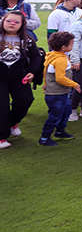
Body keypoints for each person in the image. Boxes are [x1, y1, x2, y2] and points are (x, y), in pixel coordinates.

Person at [0, 11, 41, 149]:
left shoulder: (27, 39)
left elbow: (36, 57)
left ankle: (11, 123)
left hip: (19, 76)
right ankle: (1, 137)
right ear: (3, 21)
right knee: (2, 106)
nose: (12, 24)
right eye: (9, 21)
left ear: (22, 24)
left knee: (26, 100)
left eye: (17, 22)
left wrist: (32, 72)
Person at [38, 32, 79, 146]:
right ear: (63, 47)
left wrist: (46, 83)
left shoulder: (56, 55)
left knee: (66, 112)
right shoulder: (60, 59)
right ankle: (44, 138)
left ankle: (60, 132)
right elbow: (60, 78)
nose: (73, 46)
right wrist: (74, 84)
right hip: (56, 94)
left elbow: (45, 71)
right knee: (55, 116)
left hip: (62, 93)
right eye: (71, 44)